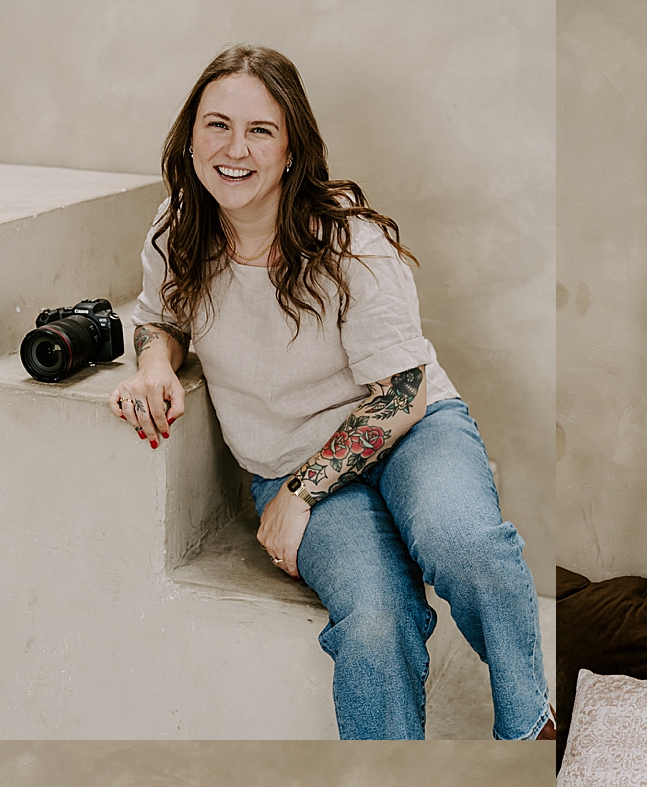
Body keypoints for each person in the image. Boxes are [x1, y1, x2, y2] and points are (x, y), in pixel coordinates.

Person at [110, 44, 551, 742]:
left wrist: (300, 493)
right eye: (216, 125)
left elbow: (402, 393)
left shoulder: (349, 242)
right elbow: (160, 316)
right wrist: (156, 363)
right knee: (375, 621)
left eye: (260, 130)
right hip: (289, 455)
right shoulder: (177, 232)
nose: (234, 149)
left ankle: (530, 729)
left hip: (411, 429)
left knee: (462, 542)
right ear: (189, 137)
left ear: (291, 149)